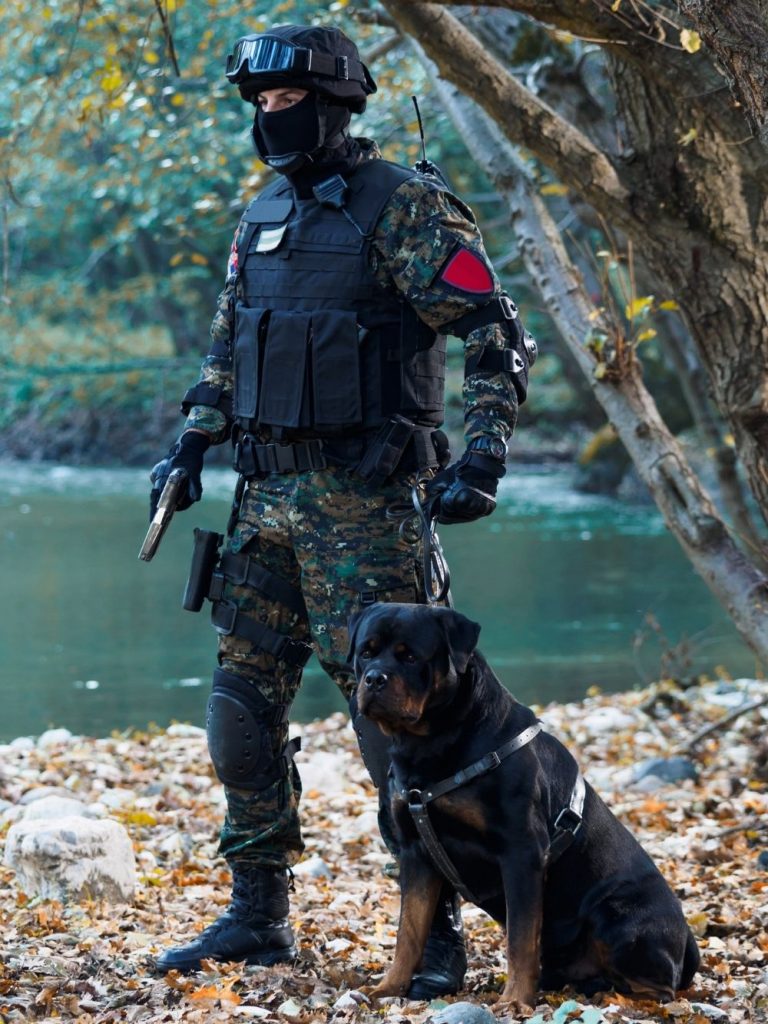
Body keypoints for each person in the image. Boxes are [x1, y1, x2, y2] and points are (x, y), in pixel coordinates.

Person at [150, 23, 536, 997]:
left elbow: (494, 332)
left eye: (285, 104)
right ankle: (258, 916)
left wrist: (485, 452)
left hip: (368, 505)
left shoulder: (404, 207)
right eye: (260, 108)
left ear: (334, 102)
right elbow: (228, 344)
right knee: (239, 715)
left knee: (402, 729)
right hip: (264, 501)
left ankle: (436, 934)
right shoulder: (263, 214)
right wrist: (193, 438)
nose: (270, 122)